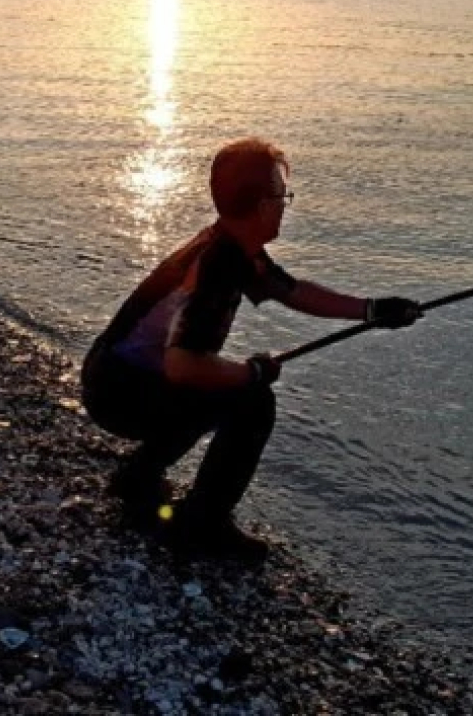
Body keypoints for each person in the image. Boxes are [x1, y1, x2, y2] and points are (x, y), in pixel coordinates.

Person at [81, 137, 423, 563]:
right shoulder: (218, 267)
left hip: (111, 376)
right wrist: (251, 374)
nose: (285, 205)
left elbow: (293, 292)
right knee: (250, 403)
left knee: (221, 392)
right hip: (119, 391)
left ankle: (138, 479)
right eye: (282, 196)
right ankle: (200, 526)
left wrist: (373, 311)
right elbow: (183, 365)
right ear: (262, 204)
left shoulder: (234, 249)